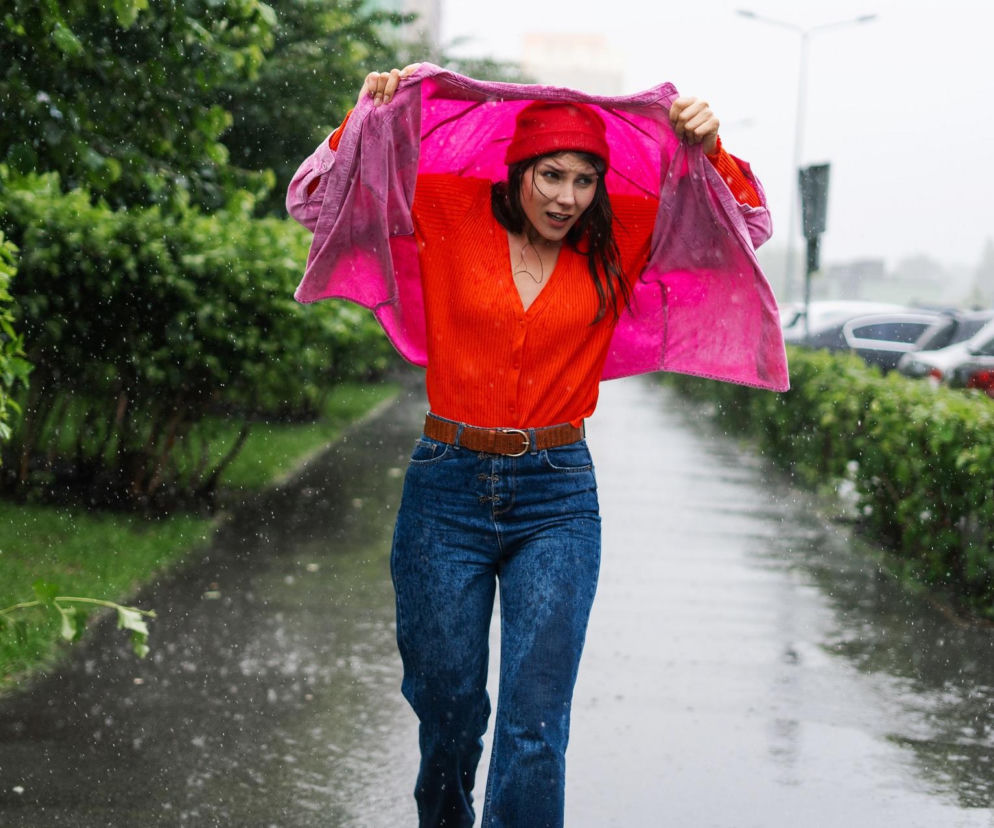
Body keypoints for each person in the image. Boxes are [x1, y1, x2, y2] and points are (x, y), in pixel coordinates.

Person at [287, 63, 787, 828]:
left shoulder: (621, 233)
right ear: (518, 171)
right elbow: (318, 202)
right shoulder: (446, 207)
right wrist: (365, 120)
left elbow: (741, 227)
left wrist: (711, 148)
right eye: (551, 175)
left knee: (536, 724)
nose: (567, 197)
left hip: (557, 499)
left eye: (586, 179)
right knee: (447, 707)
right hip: (445, 490)